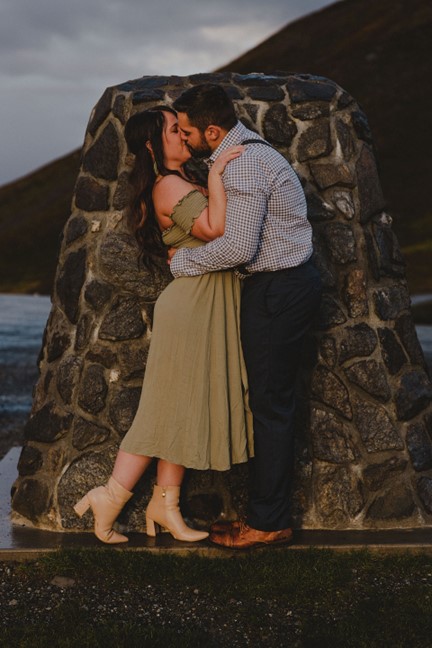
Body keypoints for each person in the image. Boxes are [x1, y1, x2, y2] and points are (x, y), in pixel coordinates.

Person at [74, 105, 253, 544]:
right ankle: (109, 498)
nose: (184, 135)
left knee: (182, 410)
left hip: (207, 304)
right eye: (175, 130)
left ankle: (165, 506)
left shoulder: (185, 178)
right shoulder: (168, 185)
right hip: (190, 309)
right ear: (154, 144)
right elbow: (215, 228)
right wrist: (217, 177)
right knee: (161, 413)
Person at [170, 84, 322, 549]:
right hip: (277, 287)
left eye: (186, 131)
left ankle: (268, 522)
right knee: (269, 403)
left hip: (279, 290)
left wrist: (181, 262)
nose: (182, 137)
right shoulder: (236, 156)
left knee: (271, 407)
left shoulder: (246, 164)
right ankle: (265, 514)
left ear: (212, 131)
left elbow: (239, 247)